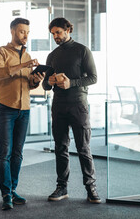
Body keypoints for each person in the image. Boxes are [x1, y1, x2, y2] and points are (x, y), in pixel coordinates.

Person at [42, 17, 101, 203]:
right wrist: (48, 82)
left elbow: (93, 78)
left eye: (58, 32)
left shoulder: (82, 51)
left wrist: (71, 83)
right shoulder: (52, 55)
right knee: (61, 148)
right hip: (58, 105)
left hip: (78, 105)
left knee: (83, 148)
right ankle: (62, 187)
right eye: (53, 34)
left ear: (68, 30)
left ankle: (91, 188)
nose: (56, 36)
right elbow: (45, 85)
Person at [0, 17, 45, 210]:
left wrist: (36, 80)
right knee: (4, 153)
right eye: (22, 31)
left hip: (24, 109)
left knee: (18, 154)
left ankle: (13, 190)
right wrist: (24, 65)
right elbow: (0, 74)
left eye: (28, 32)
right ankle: (6, 194)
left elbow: (28, 85)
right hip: (5, 108)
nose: (26, 35)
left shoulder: (27, 54)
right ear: (13, 31)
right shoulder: (1, 52)